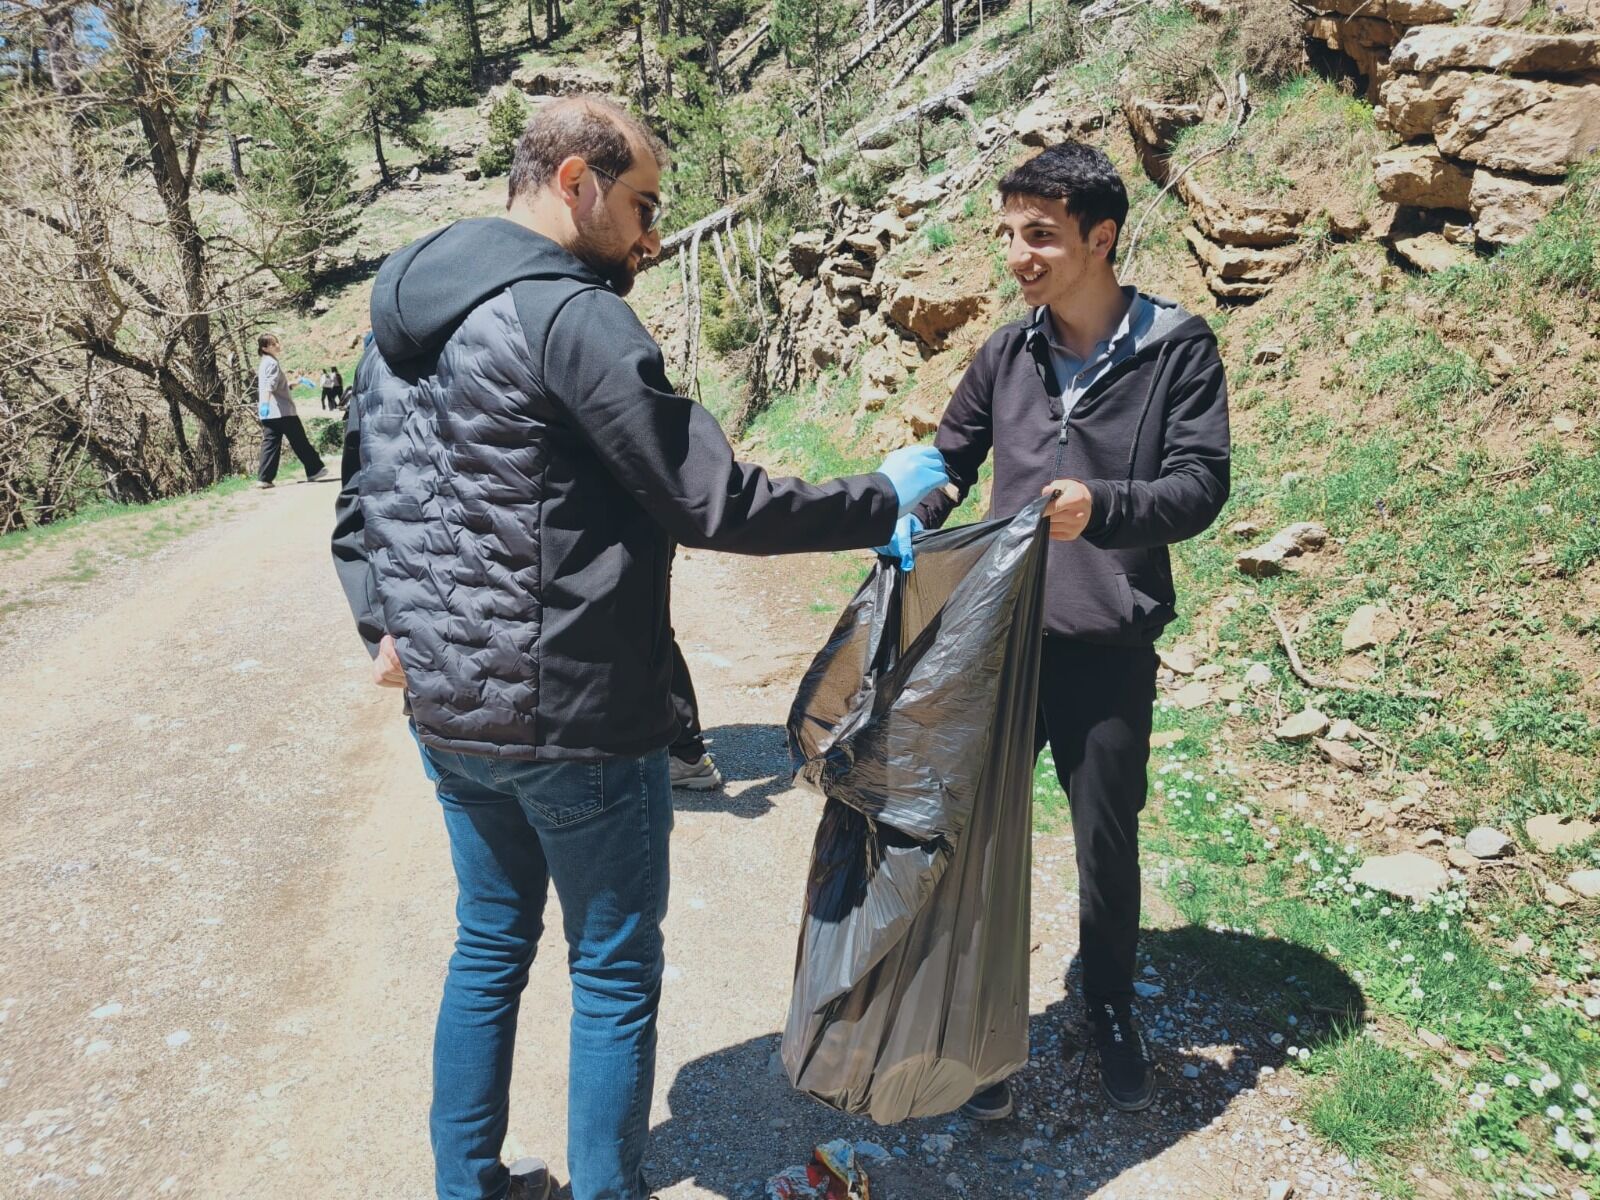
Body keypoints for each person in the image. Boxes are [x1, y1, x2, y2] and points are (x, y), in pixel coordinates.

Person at [330, 95, 947, 1200]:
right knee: (611, 972)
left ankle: (466, 1184)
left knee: (487, 948)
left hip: (451, 718)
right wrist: (877, 498)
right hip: (577, 717)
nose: (653, 237)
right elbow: (709, 498)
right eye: (644, 205)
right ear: (575, 182)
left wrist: (385, 626)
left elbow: (359, 508)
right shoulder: (569, 317)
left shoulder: (390, 322)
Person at [884, 140, 1230, 1118]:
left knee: (1104, 844)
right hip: (1002, 639)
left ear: (1101, 237)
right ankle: (983, 1039)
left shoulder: (1176, 347)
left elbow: (1201, 484)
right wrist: (915, 513)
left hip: (1109, 649)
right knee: (974, 840)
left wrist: (1105, 508)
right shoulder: (1006, 350)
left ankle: (1111, 1007)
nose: (1018, 256)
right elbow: (951, 458)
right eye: (1009, 235)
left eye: (1040, 235)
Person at [255, 334, 331, 488]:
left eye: (276, 342)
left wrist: (298, 382)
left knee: (270, 444)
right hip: (282, 412)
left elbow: (278, 386)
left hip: (270, 414)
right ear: (264, 348)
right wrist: (266, 403)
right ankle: (314, 469)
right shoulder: (272, 364)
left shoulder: (265, 362)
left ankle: (264, 478)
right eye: (273, 344)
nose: (277, 345)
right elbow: (270, 386)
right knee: (299, 441)